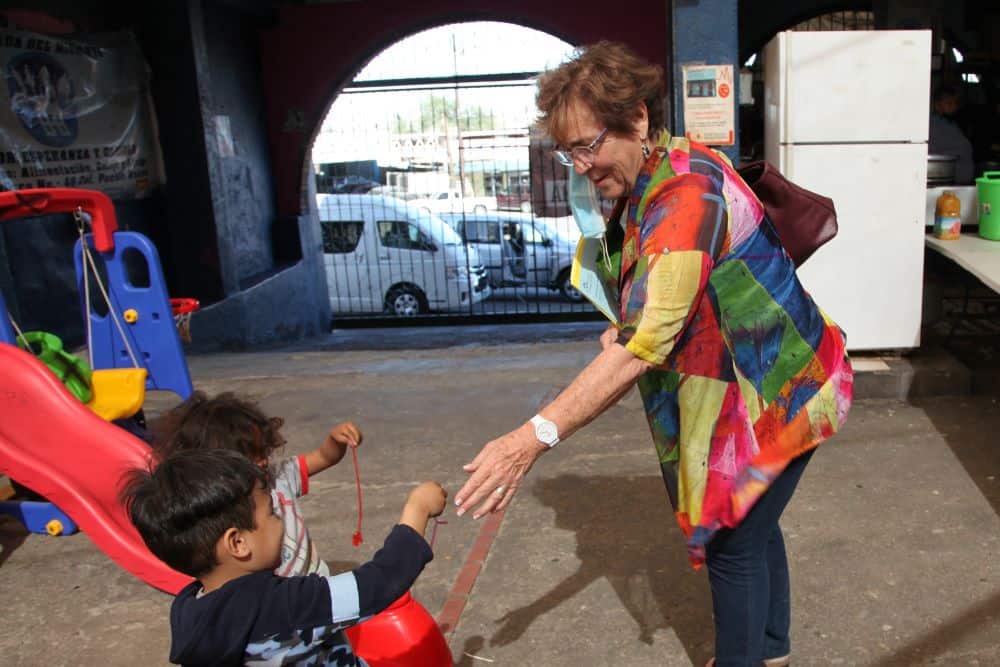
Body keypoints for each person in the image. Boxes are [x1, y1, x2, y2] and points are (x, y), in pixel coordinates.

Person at [454, 41, 853, 667]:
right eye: (568, 152)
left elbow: (644, 347)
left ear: (637, 119)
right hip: (767, 377)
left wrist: (527, 440)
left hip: (782, 386)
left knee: (733, 539)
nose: (581, 165)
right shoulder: (663, 166)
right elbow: (662, 303)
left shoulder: (684, 196)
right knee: (753, 521)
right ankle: (771, 647)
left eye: (588, 145)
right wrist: (631, 321)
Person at [122, 448, 447, 666]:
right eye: (273, 514)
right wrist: (417, 508)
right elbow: (377, 585)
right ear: (237, 543)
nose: (282, 522)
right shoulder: (286, 605)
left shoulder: (188, 608)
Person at [150, 391, 363, 577]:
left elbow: (324, 457)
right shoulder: (221, 511)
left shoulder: (278, 477)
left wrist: (335, 441)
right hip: (276, 600)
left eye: (264, 451)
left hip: (315, 582)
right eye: (251, 456)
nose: (262, 461)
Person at [929, 84, 974, 184]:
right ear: (937, 105)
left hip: (958, 183)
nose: (954, 107)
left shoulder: (953, 124)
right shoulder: (933, 126)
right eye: (949, 103)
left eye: (955, 103)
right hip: (944, 181)